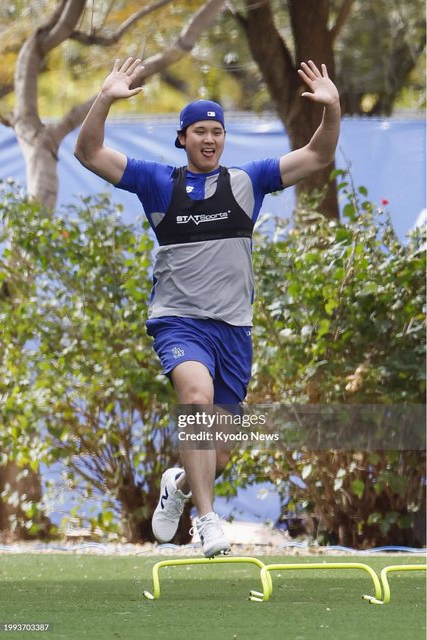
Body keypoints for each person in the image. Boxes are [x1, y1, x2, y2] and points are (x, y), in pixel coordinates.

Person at [74, 56, 341, 557]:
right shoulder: (158, 182)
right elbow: (88, 152)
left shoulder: (249, 180)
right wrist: (105, 97)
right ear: (182, 138)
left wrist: (332, 108)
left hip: (233, 331)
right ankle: (208, 520)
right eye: (200, 131)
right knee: (196, 399)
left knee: (216, 455)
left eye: (217, 131)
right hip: (179, 323)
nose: (210, 138)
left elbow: (318, 155)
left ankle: (178, 486)